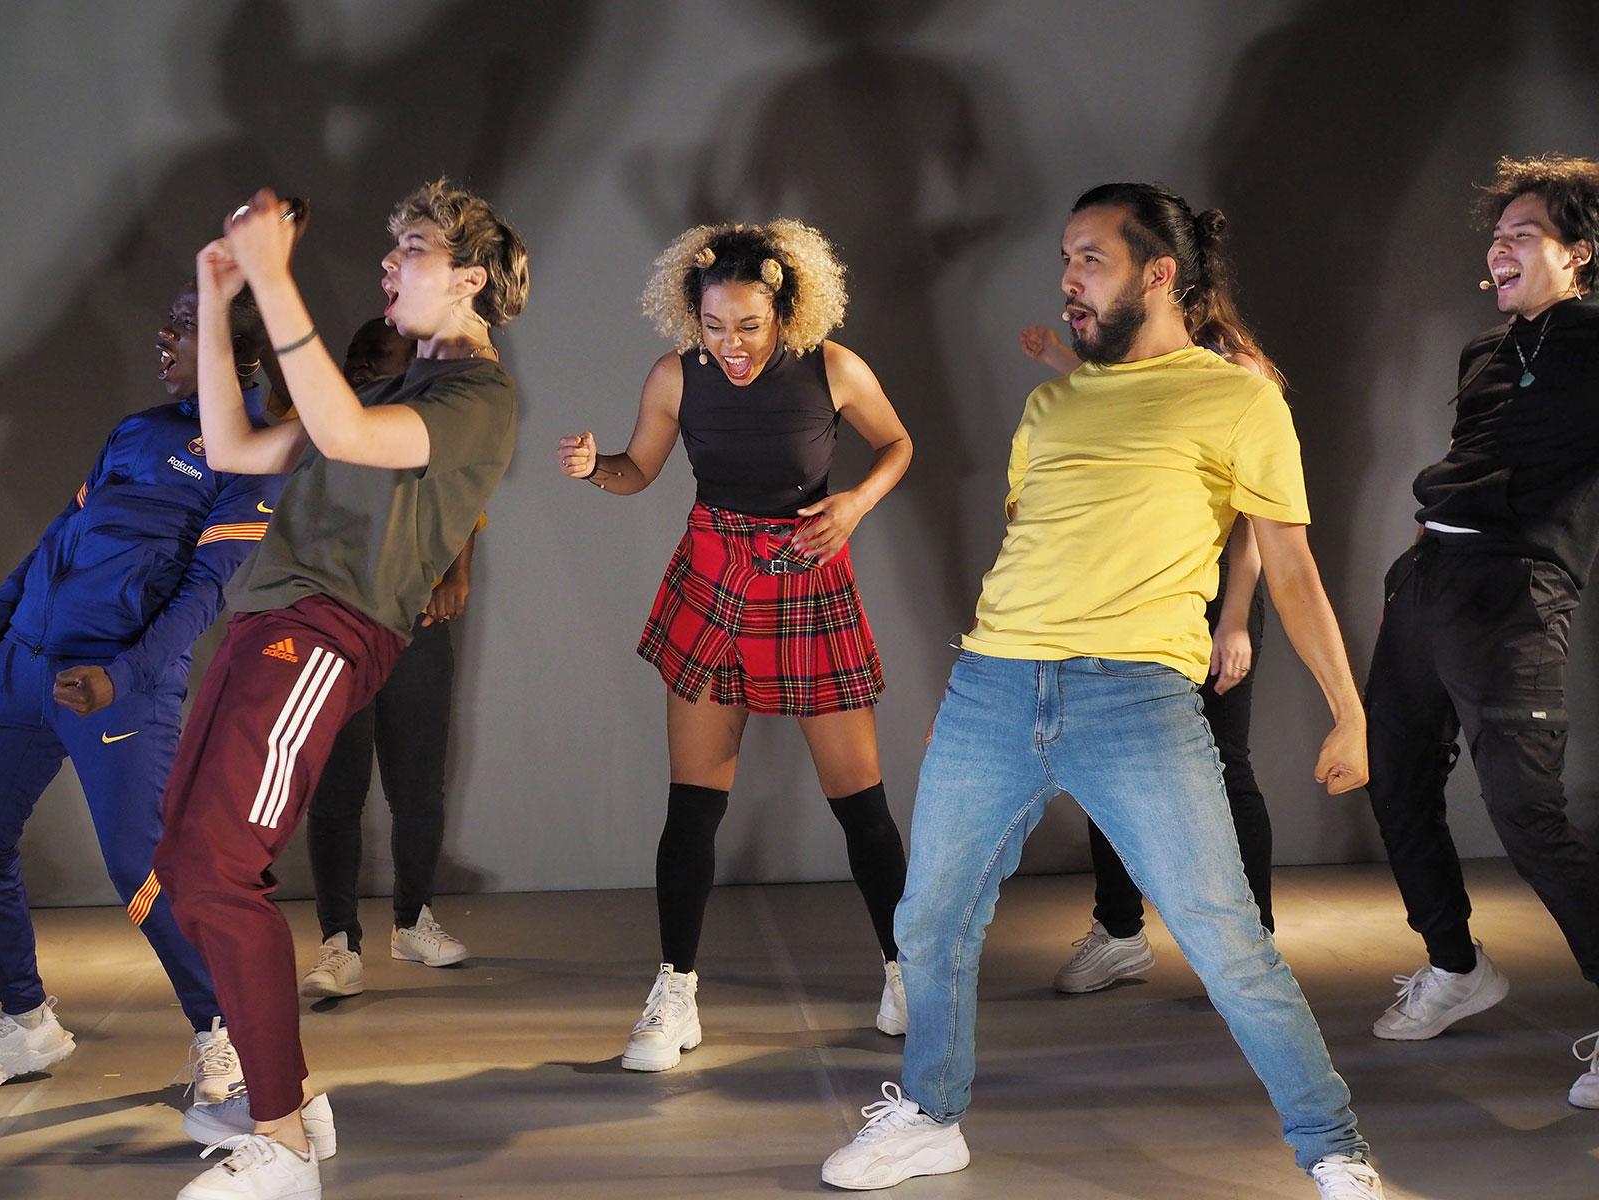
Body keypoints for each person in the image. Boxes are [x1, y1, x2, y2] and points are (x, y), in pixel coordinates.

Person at [823, 183, 1384, 1199]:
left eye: (1090, 258)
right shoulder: (1053, 403)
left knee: (1227, 943)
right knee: (931, 922)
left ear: (1158, 274)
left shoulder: (1239, 396)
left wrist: (1349, 712)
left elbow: (1291, 567)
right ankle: (931, 1119)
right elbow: (1041, 540)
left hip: (1135, 699)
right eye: (1065, 259)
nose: (1068, 279)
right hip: (992, 687)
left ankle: (1332, 1146)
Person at [153, 180, 527, 1200]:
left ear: (471, 280)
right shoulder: (400, 390)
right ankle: (293, 1101)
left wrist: (272, 276)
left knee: (222, 870)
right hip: (265, 623)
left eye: (414, 248)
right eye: (392, 246)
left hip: (324, 630)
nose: (388, 263)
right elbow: (236, 448)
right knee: (187, 867)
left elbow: (348, 435)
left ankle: (280, 1144)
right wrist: (218, 289)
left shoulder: (477, 400)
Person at [557, 220, 913, 1072]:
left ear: (785, 311)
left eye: (749, 325)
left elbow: (899, 444)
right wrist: (595, 466)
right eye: (714, 326)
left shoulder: (834, 367)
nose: (732, 344)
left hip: (807, 574)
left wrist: (855, 504)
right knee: (693, 803)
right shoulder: (675, 377)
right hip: (714, 575)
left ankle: (909, 975)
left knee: (861, 803)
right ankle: (675, 993)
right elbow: (637, 470)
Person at [0, 280, 280, 1110]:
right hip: (25, 664)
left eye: (185, 325)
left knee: (143, 869)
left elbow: (202, 593)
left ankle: (222, 1030)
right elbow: (63, 532)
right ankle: (24, 1020)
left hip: (116, 687)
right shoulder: (137, 429)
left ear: (235, 352)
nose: (163, 335)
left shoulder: (255, 455)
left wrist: (120, 676)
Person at [1362, 153, 1599, 1107]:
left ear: (1579, 253)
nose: (1499, 251)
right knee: (1396, 781)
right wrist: (1412, 571)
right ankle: (1456, 966)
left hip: (1516, 593)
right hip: (1430, 584)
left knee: (1525, 815)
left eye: (1523, 236)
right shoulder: (1484, 353)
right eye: (1496, 238)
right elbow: (1470, 459)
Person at [1017, 316, 1275, 992]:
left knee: (1224, 765)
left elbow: (1255, 518)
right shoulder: (1135, 358)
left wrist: (1235, 621)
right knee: (1109, 760)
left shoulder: (1235, 370)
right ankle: (1121, 933)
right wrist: (1057, 355)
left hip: (1213, 592)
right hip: (1138, 592)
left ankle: (1253, 948)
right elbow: (1107, 393)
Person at [298, 320, 482, 999]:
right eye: (358, 355)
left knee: (418, 785)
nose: (364, 364)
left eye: (381, 356)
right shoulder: (326, 423)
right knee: (336, 789)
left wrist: (457, 574)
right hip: (337, 624)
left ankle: (412, 921)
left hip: (412, 623)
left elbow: (465, 499)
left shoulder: (431, 426)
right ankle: (339, 940)